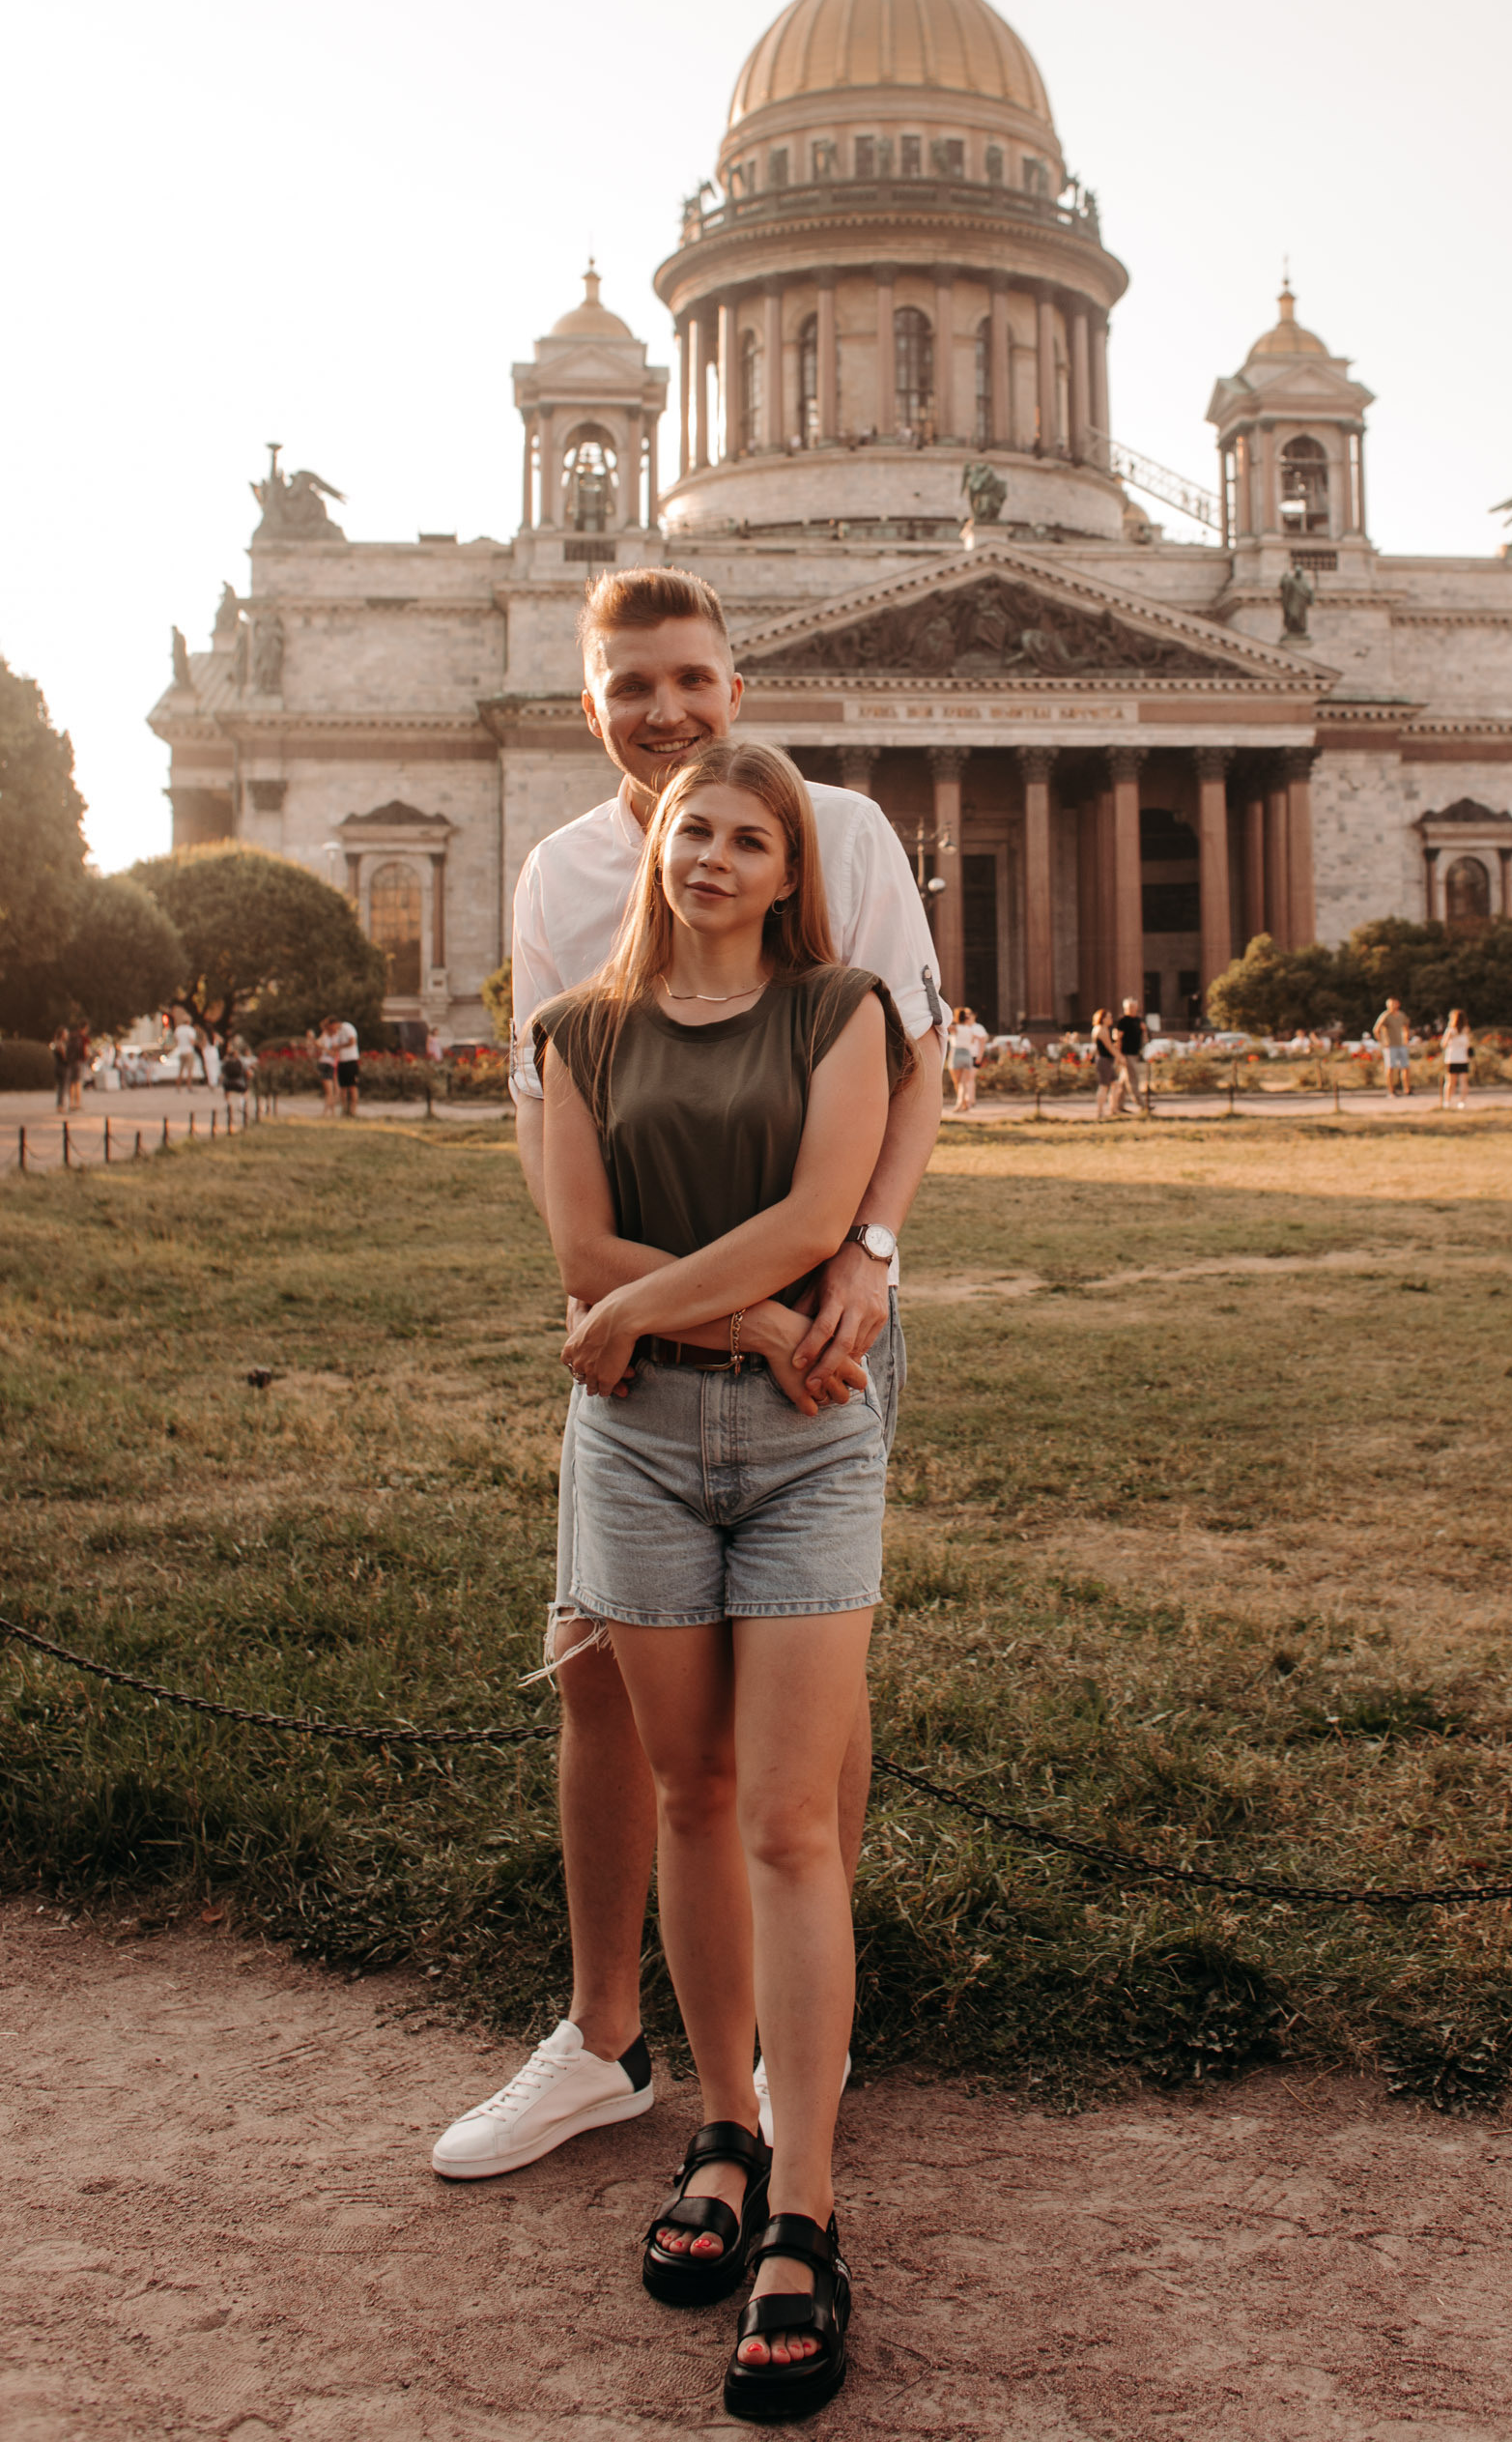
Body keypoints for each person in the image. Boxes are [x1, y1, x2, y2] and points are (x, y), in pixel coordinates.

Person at [432, 566, 943, 2215]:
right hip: (642, 1345)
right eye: (632, 684)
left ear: (738, 682)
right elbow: (548, 1116)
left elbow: (913, 1061)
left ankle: (795, 2050)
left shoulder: (840, 827)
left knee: (806, 1720)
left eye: (693, 679)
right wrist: (629, 1299)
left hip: (819, 1329)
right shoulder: (563, 871)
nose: (666, 710)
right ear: (587, 699)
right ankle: (605, 2037)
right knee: (599, 1678)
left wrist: (865, 1256)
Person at [537, 737, 904, 2420]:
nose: (715, 858)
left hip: (808, 1439)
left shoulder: (841, 1012)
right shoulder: (580, 1032)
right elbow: (576, 1248)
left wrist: (639, 1310)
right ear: (657, 846)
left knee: (787, 1820)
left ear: (788, 869)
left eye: (752, 838)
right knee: (689, 1795)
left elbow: (826, 1210)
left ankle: (806, 2210)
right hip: (644, 1443)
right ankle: (723, 2127)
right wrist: (742, 1319)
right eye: (695, 829)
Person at [1114, 995, 1149, 1113]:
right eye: (1129, 1007)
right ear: (1125, 1008)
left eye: (1133, 1007)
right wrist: (1119, 1055)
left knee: (1123, 1082)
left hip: (1135, 1053)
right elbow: (1118, 1039)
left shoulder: (1138, 1020)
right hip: (1126, 1054)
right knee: (1133, 1080)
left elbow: (1144, 1036)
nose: (1132, 1009)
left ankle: (1118, 1105)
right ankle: (1142, 1105)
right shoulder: (1123, 1021)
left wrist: (1144, 1031)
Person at [1372, 996, 1412, 1097]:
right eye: (1390, 1004)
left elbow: (1406, 1026)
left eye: (1394, 1003)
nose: (1392, 1006)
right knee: (1390, 1068)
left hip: (1401, 1045)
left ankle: (1407, 1089)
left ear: (1398, 1004)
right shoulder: (1385, 1016)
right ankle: (1391, 1091)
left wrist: (1406, 1038)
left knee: (1405, 1067)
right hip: (1390, 1046)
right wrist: (1382, 1042)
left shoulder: (1401, 1015)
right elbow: (1376, 1029)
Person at [945, 1003, 979, 1112]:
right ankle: (964, 1104)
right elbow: (972, 1041)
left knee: (957, 1082)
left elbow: (945, 1026)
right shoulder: (970, 1030)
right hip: (967, 1055)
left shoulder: (955, 1028)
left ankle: (960, 1104)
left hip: (956, 1054)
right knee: (963, 1083)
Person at [1089, 1006, 1122, 1115]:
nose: (1111, 1019)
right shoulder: (1102, 1030)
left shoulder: (1099, 1029)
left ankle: (1113, 1108)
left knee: (1115, 1084)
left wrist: (1117, 1039)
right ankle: (1100, 1111)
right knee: (1103, 1086)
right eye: (1109, 1017)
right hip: (1104, 1060)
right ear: (1103, 1019)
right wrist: (1120, 1057)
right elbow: (1109, 1047)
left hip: (1104, 1060)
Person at [1440, 1007, 1472, 1109]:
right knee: (1463, 1081)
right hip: (1463, 1059)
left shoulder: (1450, 1031)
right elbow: (1468, 1044)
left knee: (1450, 1082)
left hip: (1452, 1058)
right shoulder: (1466, 1031)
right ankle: (1462, 1102)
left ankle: (1447, 1101)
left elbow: (1443, 1044)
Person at [333, 1018, 361, 1117]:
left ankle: (353, 1111)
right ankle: (344, 1110)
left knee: (352, 1086)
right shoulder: (338, 1032)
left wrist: (339, 1047)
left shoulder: (347, 1027)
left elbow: (352, 1041)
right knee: (343, 1087)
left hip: (351, 1061)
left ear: (334, 1023)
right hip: (342, 1061)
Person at [316, 1018, 340, 1114]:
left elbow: (334, 1053)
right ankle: (326, 1113)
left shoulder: (335, 1037)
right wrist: (326, 1050)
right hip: (326, 1064)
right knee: (330, 1091)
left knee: (334, 1091)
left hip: (332, 1065)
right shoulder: (326, 1035)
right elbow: (318, 1043)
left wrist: (325, 1049)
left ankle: (330, 1112)